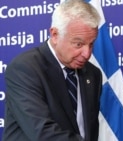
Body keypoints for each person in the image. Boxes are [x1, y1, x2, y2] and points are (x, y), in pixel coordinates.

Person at [2, 0, 102, 141]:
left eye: (91, 44)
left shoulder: (92, 74)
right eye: (78, 44)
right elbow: (42, 132)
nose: (87, 53)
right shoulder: (25, 68)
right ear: (55, 35)